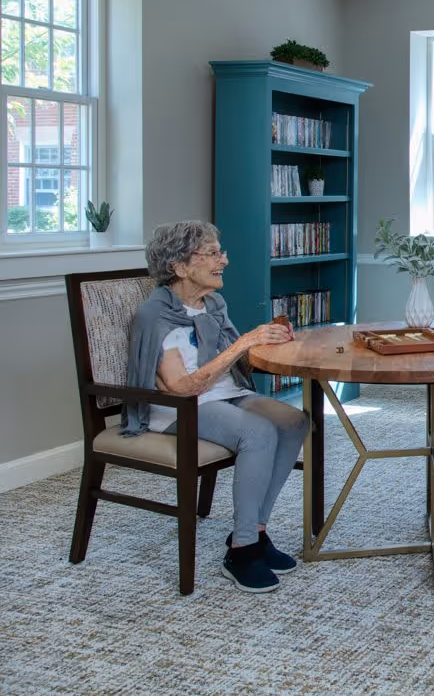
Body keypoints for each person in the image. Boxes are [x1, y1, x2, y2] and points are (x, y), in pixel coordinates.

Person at [123, 221, 308, 593]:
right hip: (181, 408)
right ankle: (241, 550)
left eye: (220, 252)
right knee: (258, 431)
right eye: (211, 254)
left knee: (293, 422)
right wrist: (244, 344)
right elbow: (180, 386)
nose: (222, 260)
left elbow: (231, 360)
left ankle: (255, 530)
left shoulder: (212, 305)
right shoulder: (154, 317)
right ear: (179, 266)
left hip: (223, 394)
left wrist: (266, 342)